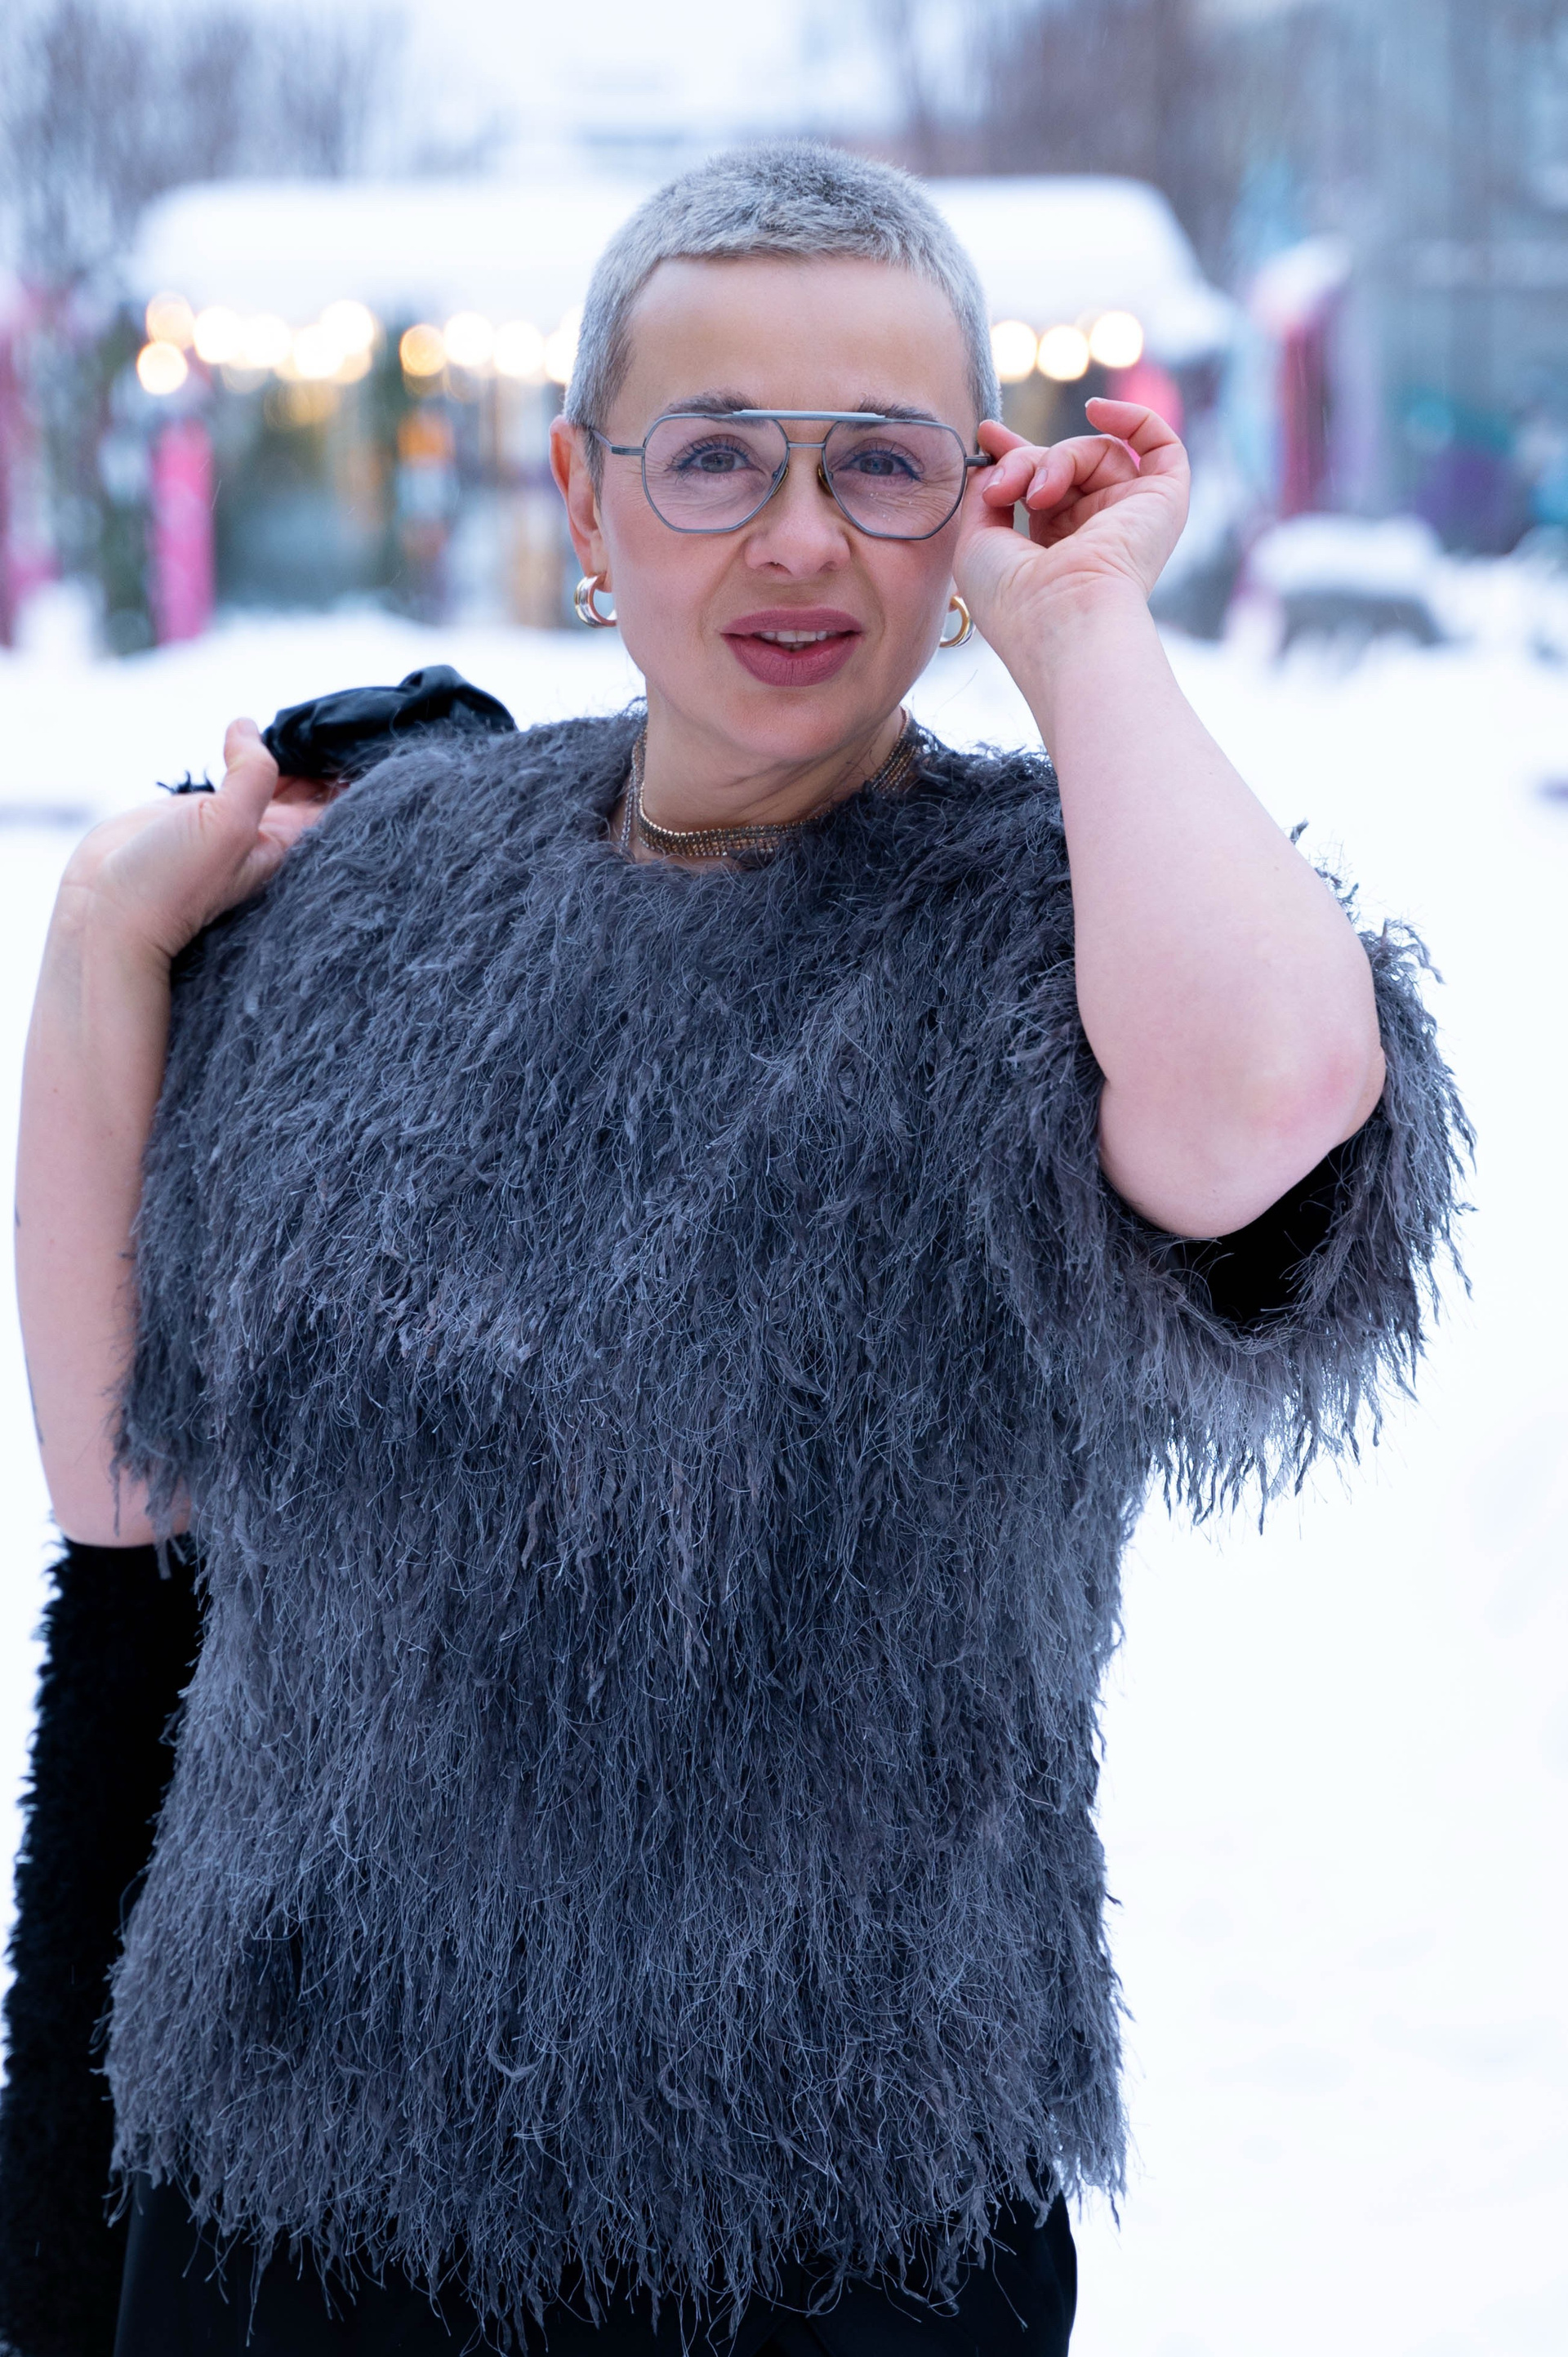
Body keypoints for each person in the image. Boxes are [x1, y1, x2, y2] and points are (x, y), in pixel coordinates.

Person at [8, 144, 1464, 2356]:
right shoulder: (382, 896)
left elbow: (1271, 1106)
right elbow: (134, 1510)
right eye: (711, 459)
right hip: (274, 2229)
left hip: (830, 2254)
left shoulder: (1046, 933)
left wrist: (1079, 631)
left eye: (880, 462)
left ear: (972, 495)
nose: (798, 537)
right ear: (585, 505)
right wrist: (106, 938)